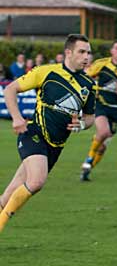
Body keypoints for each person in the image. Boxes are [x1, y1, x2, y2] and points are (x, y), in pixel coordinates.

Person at [0, 34, 96, 233]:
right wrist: (17, 118)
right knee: (36, 182)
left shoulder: (88, 85)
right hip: (34, 134)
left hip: (55, 147)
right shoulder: (47, 72)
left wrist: (81, 126)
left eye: (88, 52)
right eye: (82, 52)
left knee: (9, 194)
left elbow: (90, 117)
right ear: (68, 52)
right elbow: (10, 89)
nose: (87, 56)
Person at [80, 40, 117, 181]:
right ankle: (88, 159)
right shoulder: (102, 64)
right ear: (112, 51)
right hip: (100, 105)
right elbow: (85, 78)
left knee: (102, 147)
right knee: (103, 131)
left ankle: (87, 170)